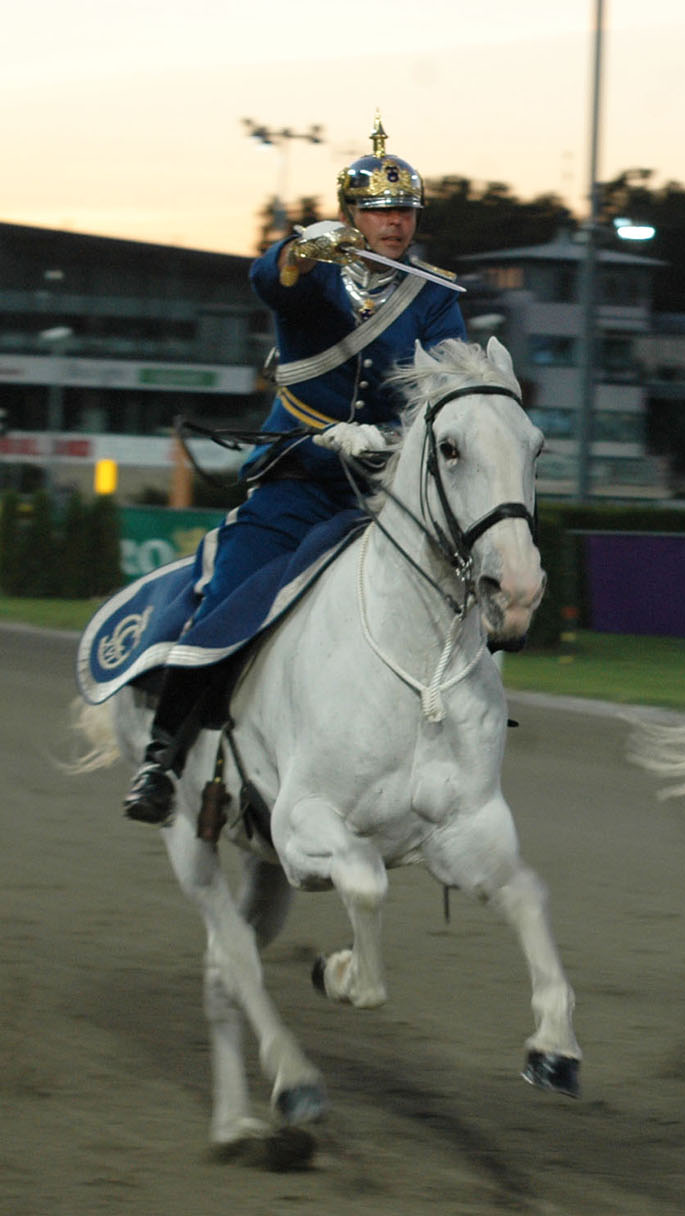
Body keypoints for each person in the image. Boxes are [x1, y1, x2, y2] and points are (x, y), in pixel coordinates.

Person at [122, 114, 466, 825]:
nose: (393, 223)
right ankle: (162, 756)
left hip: (381, 494)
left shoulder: (433, 296)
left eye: (403, 211)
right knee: (229, 596)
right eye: (376, 210)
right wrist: (298, 251)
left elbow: (446, 386)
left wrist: (390, 436)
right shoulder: (320, 275)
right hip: (297, 484)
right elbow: (272, 284)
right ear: (349, 215)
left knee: (469, 586)